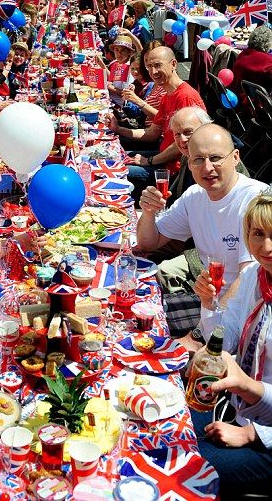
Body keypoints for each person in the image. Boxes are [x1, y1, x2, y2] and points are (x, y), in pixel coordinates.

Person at [137, 124, 267, 337]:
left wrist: (200, 335)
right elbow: (148, 243)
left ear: (235, 157)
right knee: (139, 316)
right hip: (209, 304)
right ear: (189, 164)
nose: (207, 168)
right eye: (198, 159)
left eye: (215, 158)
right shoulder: (195, 196)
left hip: (243, 317)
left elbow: (248, 281)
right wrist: (148, 212)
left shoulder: (255, 200)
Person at [192, 191, 272, 499]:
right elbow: (228, 337)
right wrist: (209, 304)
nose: (266, 247)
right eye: (258, 234)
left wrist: (252, 433)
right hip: (239, 409)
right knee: (168, 429)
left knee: (187, 464)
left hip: (265, 440)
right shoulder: (255, 274)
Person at [107, 44, 206, 196]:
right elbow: (151, 133)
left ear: (173, 64)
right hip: (161, 157)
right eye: (149, 67)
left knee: (112, 173)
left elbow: (182, 145)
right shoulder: (168, 94)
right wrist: (118, 129)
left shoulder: (186, 97)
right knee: (111, 160)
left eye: (158, 65)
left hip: (172, 171)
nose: (153, 72)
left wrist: (150, 160)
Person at [231, 25, 272, 93]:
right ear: (268, 44)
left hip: (236, 97)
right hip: (255, 101)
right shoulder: (267, 61)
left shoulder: (242, 54)